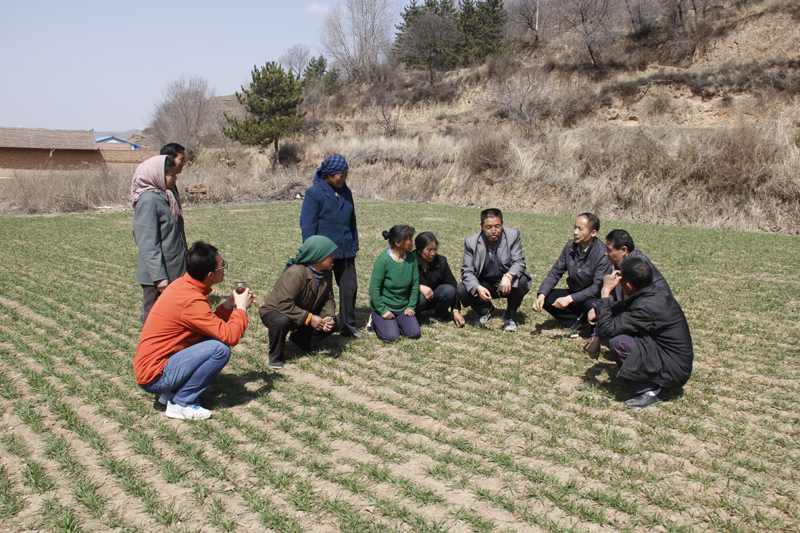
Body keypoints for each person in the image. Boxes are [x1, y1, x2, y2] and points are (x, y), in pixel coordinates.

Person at [133, 241, 254, 420]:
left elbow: (209, 325)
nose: (225, 269)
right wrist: (241, 309)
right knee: (219, 350)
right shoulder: (191, 300)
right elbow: (230, 336)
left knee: (210, 339)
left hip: (155, 366)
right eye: (223, 267)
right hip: (154, 376)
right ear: (210, 275)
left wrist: (229, 305)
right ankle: (182, 403)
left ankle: (170, 394)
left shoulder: (182, 286)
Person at [594, 256, 693, 408]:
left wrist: (605, 293)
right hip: (673, 360)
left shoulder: (645, 308)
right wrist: (599, 308)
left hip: (673, 370)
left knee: (619, 342)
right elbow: (624, 305)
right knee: (624, 332)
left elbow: (607, 329)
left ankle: (649, 391)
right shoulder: (653, 291)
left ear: (629, 285)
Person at [300, 154, 361, 338]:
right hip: (324, 253)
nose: (343, 179)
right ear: (328, 174)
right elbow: (307, 225)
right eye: (340, 175)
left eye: (346, 175)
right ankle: (317, 325)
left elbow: (352, 221)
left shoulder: (346, 192)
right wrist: (313, 251)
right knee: (321, 290)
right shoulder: (314, 193)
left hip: (346, 250)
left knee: (350, 287)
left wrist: (354, 243)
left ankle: (347, 326)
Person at [585, 229, 672, 358]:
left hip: (656, 321)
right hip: (644, 312)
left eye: (609, 250)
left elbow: (627, 305)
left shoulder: (636, 268)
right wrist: (598, 310)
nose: (606, 253)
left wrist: (597, 334)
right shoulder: (623, 263)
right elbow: (617, 299)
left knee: (615, 336)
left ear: (624, 250)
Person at [259, 236, 339, 369]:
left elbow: (328, 299)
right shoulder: (295, 273)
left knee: (336, 321)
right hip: (278, 312)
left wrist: (327, 317)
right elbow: (284, 305)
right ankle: (275, 355)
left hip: (302, 311)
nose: (333, 257)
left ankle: (302, 341)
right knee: (281, 321)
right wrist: (309, 318)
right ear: (319, 256)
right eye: (330, 254)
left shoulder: (326, 273)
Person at [131, 154, 187, 324]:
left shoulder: (166, 197)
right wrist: (159, 277)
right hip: (157, 275)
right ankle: (150, 347)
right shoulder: (148, 200)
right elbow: (148, 243)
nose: (174, 178)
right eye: (171, 175)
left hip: (174, 270)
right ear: (156, 176)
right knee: (152, 316)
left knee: (171, 316)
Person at [532, 213, 612, 329]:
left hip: (592, 297)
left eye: (580, 229)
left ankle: (589, 320)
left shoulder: (602, 254)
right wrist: (541, 295)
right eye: (575, 227)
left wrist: (570, 299)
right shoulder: (570, 246)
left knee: (593, 309)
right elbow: (556, 272)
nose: (575, 232)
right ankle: (574, 321)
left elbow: (596, 288)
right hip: (575, 291)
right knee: (548, 296)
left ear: (593, 233)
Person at [457, 209, 531, 332]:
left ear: (502, 224)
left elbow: (519, 262)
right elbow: (467, 271)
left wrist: (508, 276)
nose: (493, 231)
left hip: (506, 282)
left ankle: (510, 316)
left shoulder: (513, 236)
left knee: (522, 280)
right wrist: (478, 287)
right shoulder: (471, 241)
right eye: (488, 227)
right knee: (462, 289)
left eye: (497, 226)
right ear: (481, 226)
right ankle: (485, 310)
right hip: (484, 284)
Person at [369, 225, 421, 342]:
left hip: (402, 306)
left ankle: (395, 322)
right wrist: (382, 310)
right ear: (398, 243)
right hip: (384, 306)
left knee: (414, 333)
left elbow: (414, 284)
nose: (412, 243)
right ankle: (375, 319)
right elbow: (374, 289)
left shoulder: (411, 258)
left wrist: (411, 306)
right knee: (391, 337)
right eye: (409, 240)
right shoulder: (383, 260)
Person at [414, 232, 465, 327]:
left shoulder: (441, 261)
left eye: (435, 249)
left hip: (433, 297)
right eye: (429, 250)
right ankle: (415, 315)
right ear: (419, 250)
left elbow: (453, 285)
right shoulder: (409, 260)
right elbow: (401, 283)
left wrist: (456, 310)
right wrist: (419, 287)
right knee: (420, 298)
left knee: (449, 290)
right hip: (416, 298)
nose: (433, 253)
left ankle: (441, 314)